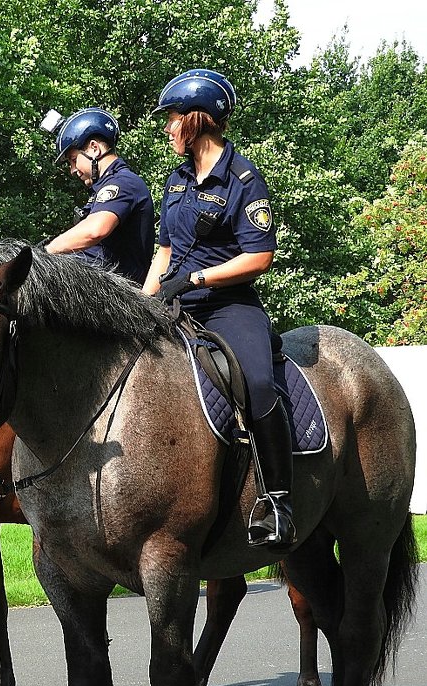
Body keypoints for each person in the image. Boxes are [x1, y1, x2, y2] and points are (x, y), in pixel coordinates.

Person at [143, 69, 295, 549]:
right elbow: (163, 252)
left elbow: (260, 257)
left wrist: (199, 277)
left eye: (171, 118)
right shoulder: (177, 178)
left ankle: (277, 501)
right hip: (175, 301)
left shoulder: (245, 179)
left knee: (256, 380)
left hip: (229, 305)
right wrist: (141, 302)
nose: (167, 128)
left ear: (196, 120)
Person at [41, 107, 155, 284]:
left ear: (94, 148)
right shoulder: (103, 188)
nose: (72, 170)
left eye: (73, 160)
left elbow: (94, 231)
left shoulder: (123, 183)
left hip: (118, 298)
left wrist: (45, 252)